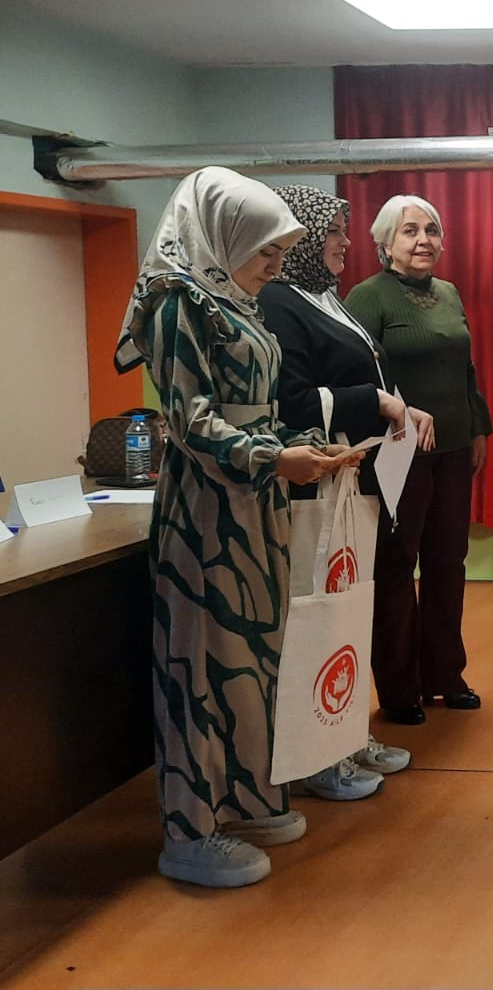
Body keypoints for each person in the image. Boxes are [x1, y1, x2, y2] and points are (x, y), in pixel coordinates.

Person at [113, 166, 360, 888]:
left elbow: (259, 406)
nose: (274, 267)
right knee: (200, 663)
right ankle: (191, 830)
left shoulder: (236, 299)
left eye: (281, 254)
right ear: (222, 238)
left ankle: (249, 797)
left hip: (256, 504)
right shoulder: (176, 302)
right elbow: (188, 420)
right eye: (265, 252)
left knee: (254, 658)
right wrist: (273, 458)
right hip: (206, 512)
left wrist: (305, 448)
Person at [259, 184, 437, 798]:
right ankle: (315, 756)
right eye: (333, 232)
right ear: (302, 237)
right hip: (314, 488)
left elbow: (365, 376)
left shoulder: (324, 298)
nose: (345, 242)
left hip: (353, 481)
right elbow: (291, 401)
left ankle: (346, 734)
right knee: (317, 620)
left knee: (348, 615)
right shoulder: (279, 303)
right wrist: (378, 402)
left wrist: (401, 407)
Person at [345, 194, 493, 725]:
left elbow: (465, 366)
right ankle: (400, 689)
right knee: (395, 566)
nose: (423, 240)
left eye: (431, 230)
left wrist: (479, 426)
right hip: (397, 450)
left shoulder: (448, 293)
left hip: (453, 448)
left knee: (448, 563)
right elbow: (357, 376)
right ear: (385, 243)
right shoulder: (367, 297)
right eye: (410, 231)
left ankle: (445, 675)